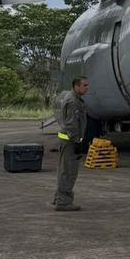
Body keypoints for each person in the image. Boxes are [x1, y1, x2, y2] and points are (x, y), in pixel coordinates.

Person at [52, 76, 89, 211]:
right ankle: (63, 202)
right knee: (68, 172)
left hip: (67, 140)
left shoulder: (72, 98)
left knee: (64, 170)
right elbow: (72, 124)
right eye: (84, 85)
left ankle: (58, 198)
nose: (87, 88)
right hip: (70, 141)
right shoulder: (73, 102)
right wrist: (77, 141)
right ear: (76, 86)